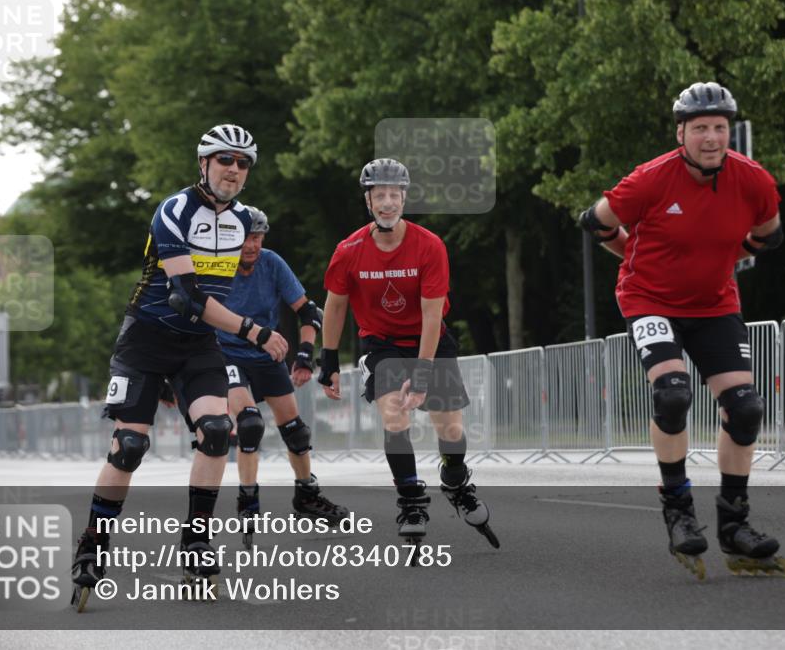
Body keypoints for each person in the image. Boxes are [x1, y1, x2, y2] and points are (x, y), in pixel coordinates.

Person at [71, 124, 289, 611]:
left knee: (216, 431)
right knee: (129, 446)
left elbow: (212, 301)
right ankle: (92, 544)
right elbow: (187, 297)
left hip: (197, 346)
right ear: (204, 164)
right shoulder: (174, 211)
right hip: (146, 340)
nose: (234, 169)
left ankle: (195, 541)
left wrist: (236, 331)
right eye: (224, 159)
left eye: (243, 162)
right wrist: (254, 332)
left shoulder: (241, 223)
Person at [579, 82, 785, 579]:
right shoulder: (651, 179)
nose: (712, 138)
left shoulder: (753, 180)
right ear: (682, 133)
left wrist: (724, 260)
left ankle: (734, 523)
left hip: (715, 304)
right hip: (649, 299)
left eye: (720, 127)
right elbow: (596, 220)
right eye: (701, 129)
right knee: (673, 394)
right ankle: (678, 510)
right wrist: (630, 254)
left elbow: (769, 235)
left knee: (746, 407)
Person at [317, 158, 498, 549]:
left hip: (428, 339)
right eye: (378, 195)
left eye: (393, 195)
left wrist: (421, 374)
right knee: (394, 414)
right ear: (368, 201)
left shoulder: (429, 245)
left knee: (449, 428)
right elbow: (334, 306)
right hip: (381, 344)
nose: (386, 202)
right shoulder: (348, 250)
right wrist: (328, 359)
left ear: (404, 198)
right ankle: (411, 500)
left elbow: (432, 317)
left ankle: (455, 478)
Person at [216, 205, 348, 546]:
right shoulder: (216, 266)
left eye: (257, 238)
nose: (251, 246)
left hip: (266, 352)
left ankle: (307, 495)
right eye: (245, 238)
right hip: (226, 353)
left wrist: (304, 355)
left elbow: (308, 311)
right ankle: (248, 500)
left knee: (297, 432)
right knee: (249, 424)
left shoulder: (272, 263)